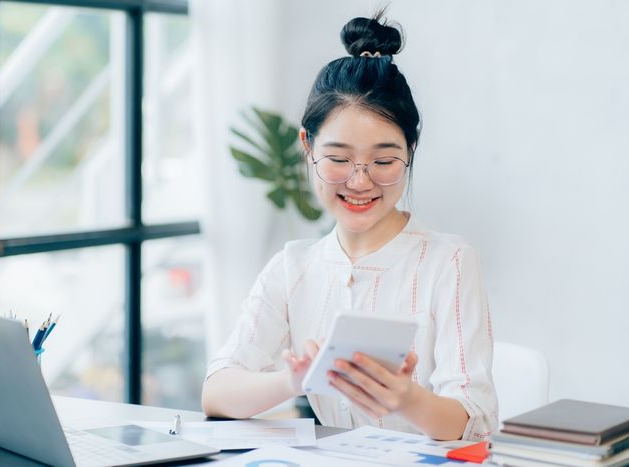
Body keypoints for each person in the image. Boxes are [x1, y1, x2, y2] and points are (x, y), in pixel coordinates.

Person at [201, 13, 498, 441]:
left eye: (383, 161)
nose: (360, 181)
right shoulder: (293, 267)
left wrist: (405, 398)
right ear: (307, 146)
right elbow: (217, 391)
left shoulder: (449, 263)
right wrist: (294, 381)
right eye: (339, 159)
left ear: (410, 151)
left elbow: (476, 421)